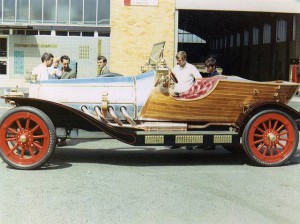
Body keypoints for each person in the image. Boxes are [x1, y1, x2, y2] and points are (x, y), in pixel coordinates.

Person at [170, 51, 202, 150]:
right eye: (177, 60)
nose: (178, 62)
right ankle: (176, 142)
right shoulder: (175, 68)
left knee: (188, 122)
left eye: (179, 60)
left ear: (184, 59)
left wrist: (192, 91)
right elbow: (172, 81)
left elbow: (199, 79)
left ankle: (189, 143)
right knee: (176, 120)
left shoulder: (191, 68)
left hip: (188, 98)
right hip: (177, 97)